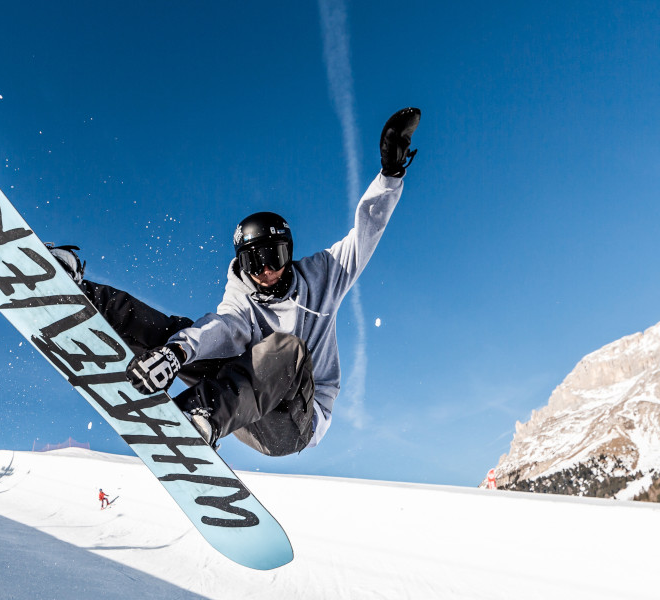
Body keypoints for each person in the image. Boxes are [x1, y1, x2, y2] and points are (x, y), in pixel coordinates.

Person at [48, 107, 420, 457]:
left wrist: (390, 175)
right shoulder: (243, 294)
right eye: (250, 262)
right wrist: (174, 354)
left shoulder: (323, 275)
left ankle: (197, 416)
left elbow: (365, 233)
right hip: (242, 400)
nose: (262, 271)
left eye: (271, 257)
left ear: (288, 254)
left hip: (293, 421)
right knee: (184, 332)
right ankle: (83, 296)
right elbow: (224, 326)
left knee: (285, 349)